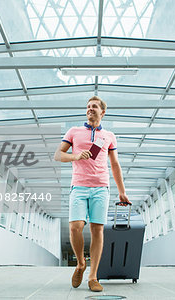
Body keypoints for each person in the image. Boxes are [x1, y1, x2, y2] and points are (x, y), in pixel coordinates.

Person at [54, 96, 131, 292]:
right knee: (75, 227)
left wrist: (121, 191)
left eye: (94, 107)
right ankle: (80, 263)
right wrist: (76, 156)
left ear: (102, 112)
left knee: (98, 230)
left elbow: (114, 164)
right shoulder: (74, 132)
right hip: (78, 186)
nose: (90, 109)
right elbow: (58, 155)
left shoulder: (109, 136)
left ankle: (93, 277)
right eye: (88, 107)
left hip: (101, 187)